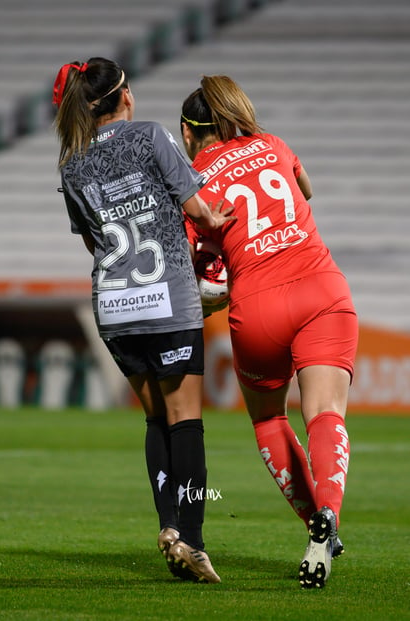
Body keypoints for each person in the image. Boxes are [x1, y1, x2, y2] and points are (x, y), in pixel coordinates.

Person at [52, 58, 235, 584]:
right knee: (187, 423)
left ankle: (169, 526)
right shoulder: (152, 136)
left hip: (113, 307)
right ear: (124, 95)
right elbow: (200, 212)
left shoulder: (71, 164)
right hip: (167, 302)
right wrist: (226, 220)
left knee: (156, 419)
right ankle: (194, 542)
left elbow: (93, 241)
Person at [181, 75, 359, 589]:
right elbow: (306, 191)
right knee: (325, 413)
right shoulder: (274, 143)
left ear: (192, 135)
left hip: (256, 304)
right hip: (320, 288)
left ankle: (313, 524)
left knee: (268, 420)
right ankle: (328, 519)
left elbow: (195, 262)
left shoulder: (193, 178)